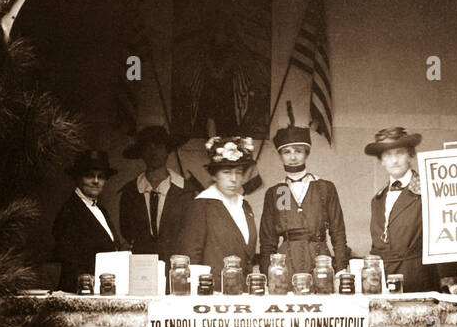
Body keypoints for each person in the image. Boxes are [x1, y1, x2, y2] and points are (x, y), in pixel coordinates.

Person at [259, 111, 348, 281]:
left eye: (298, 151)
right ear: (280, 156)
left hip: (320, 260)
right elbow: (268, 240)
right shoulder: (278, 192)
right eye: (287, 152)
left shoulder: (324, 187)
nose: (293, 157)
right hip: (285, 264)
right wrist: (266, 275)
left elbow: (338, 232)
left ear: (307, 153)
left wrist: (341, 268)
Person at [365, 126, 443, 293]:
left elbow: (442, 237)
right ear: (381, 161)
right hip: (384, 283)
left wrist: (450, 280)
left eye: (399, 153)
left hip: (418, 279)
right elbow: (377, 245)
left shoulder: (427, 191)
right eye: (387, 155)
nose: (394, 161)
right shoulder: (377, 200)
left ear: (411, 155)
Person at [179, 136, 257, 287]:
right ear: (214, 175)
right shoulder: (202, 205)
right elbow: (191, 256)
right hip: (213, 293)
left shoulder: (245, 206)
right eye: (227, 172)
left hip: (243, 292)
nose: (234, 179)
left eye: (239, 172)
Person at [52, 148, 124, 294]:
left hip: (102, 290)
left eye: (101, 177)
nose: (96, 181)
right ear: (78, 178)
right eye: (89, 176)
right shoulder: (70, 211)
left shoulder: (101, 210)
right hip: (80, 292)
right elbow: (70, 261)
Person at [118, 125, 190, 265]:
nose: (153, 152)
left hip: (176, 267)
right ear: (141, 153)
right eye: (147, 147)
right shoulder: (131, 192)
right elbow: (126, 230)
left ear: (167, 150)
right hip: (141, 268)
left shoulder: (185, 191)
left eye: (158, 146)